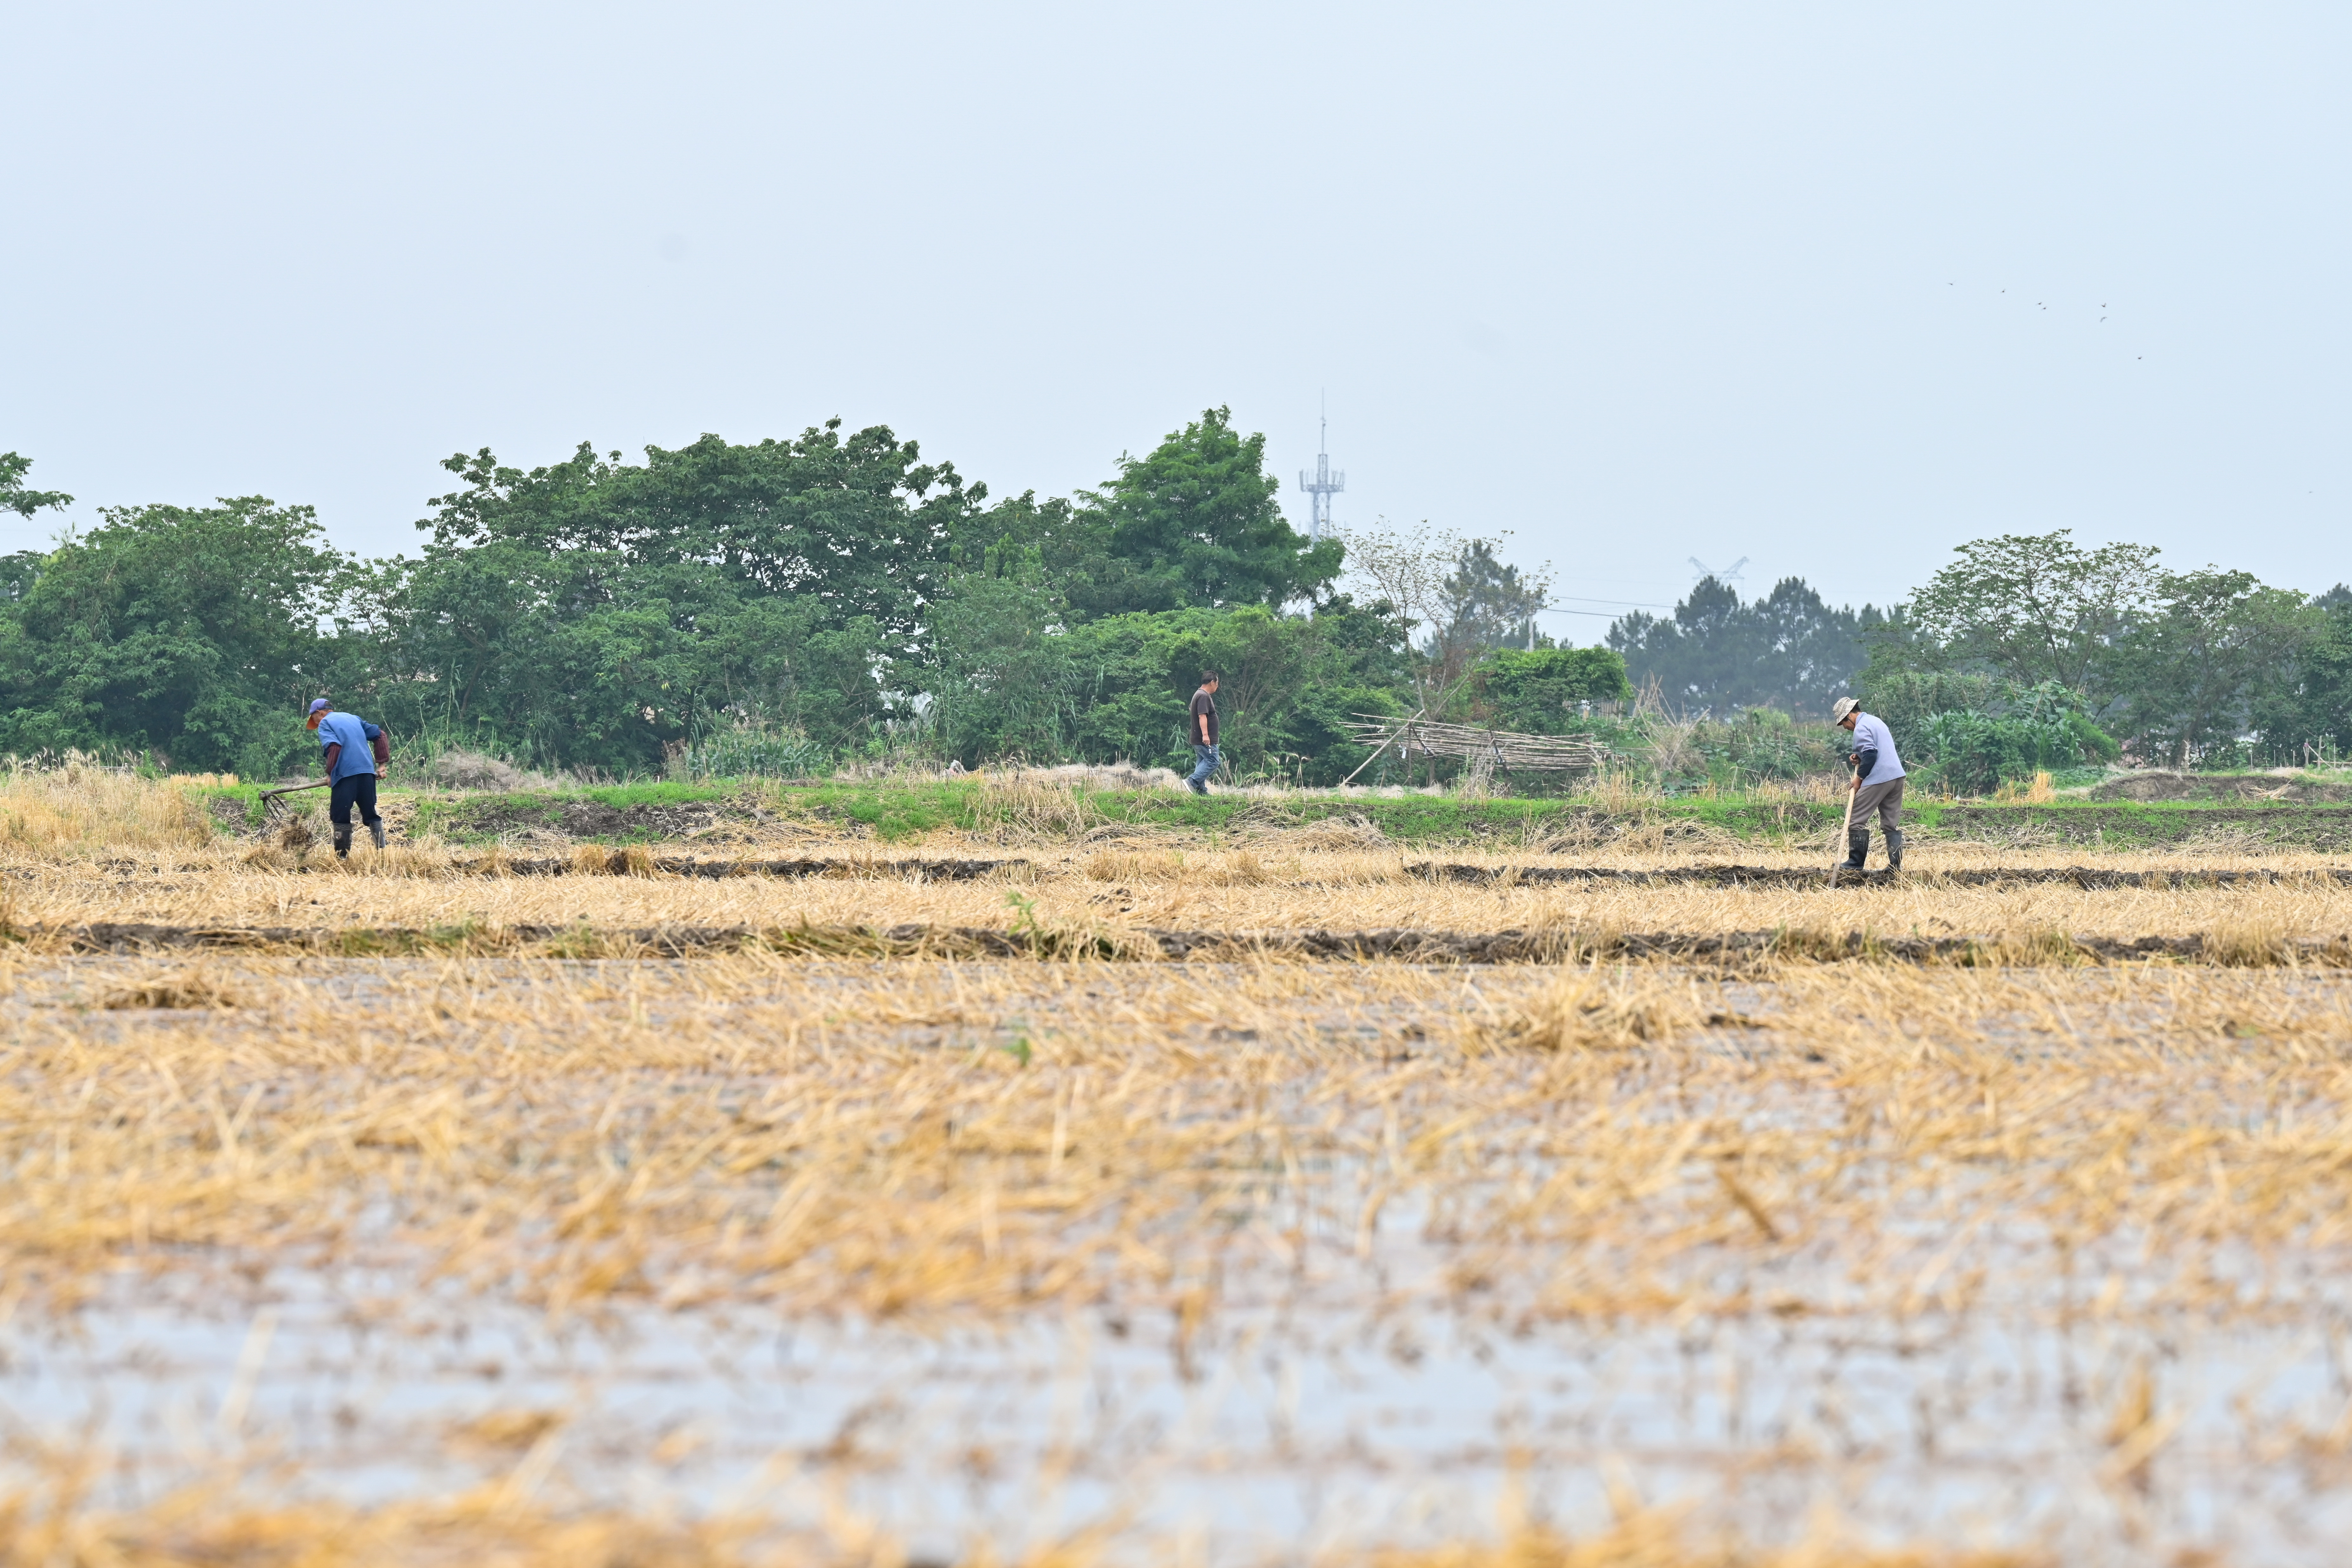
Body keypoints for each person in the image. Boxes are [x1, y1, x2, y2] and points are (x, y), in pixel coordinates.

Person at [307, 697, 390, 857]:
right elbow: (381, 735)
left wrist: (330, 774)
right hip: (367, 774)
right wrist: (381, 766)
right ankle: (384, 854)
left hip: (345, 775)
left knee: (340, 816)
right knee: (370, 814)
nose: (316, 723)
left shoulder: (326, 723)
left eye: (314, 719)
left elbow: (334, 747)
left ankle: (342, 858)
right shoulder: (353, 718)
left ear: (320, 713)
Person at [1830, 695, 1904, 871]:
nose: (1846, 728)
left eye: (1844, 723)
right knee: (1890, 823)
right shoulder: (1876, 721)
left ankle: (1855, 863)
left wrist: (1859, 779)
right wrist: (1859, 756)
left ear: (1849, 716)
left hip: (1879, 778)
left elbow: (1871, 754)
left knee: (1855, 818)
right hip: (1897, 777)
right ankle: (1895, 867)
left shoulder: (1860, 728)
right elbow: (1876, 749)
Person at [1183, 671, 1221, 795]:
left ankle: (1201, 791)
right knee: (1213, 760)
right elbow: (1202, 716)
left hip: (1199, 738)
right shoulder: (1203, 696)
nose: (1217, 686)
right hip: (1203, 738)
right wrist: (1206, 735)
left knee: (1202, 763)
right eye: (1217, 683)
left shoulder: (1199, 694)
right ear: (1212, 682)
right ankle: (1192, 781)